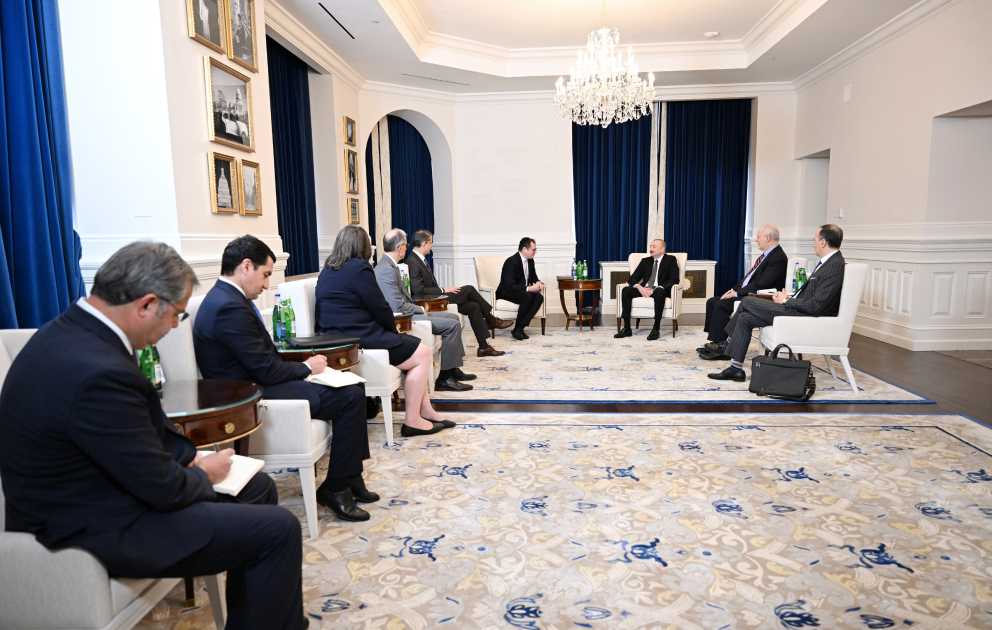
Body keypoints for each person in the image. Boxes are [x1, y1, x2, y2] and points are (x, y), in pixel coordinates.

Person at [0, 242, 305, 630]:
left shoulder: (74, 334)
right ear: (146, 304)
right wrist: (204, 473)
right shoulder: (96, 370)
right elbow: (161, 488)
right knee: (279, 530)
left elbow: (129, 435)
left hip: (100, 489)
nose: (176, 326)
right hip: (92, 521)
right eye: (176, 314)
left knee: (257, 489)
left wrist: (187, 458)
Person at [194, 235, 374, 523]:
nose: (267, 285)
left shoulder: (226, 298)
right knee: (350, 397)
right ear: (246, 266)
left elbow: (263, 361)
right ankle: (336, 488)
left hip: (258, 383)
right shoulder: (228, 307)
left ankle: (351, 476)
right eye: (266, 275)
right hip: (250, 395)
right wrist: (307, 368)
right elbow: (265, 370)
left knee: (354, 386)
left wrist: (305, 369)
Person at [314, 226, 453, 437]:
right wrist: (392, 330)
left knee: (418, 347)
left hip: (334, 339)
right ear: (363, 246)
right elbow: (380, 307)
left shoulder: (326, 270)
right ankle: (413, 421)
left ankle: (425, 410)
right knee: (423, 354)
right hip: (360, 338)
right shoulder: (359, 268)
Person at [707, 224, 847, 381]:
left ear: (823, 242)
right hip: (798, 309)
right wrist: (788, 298)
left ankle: (727, 342)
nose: (813, 244)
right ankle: (736, 369)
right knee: (745, 317)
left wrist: (786, 300)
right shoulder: (829, 262)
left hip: (804, 315)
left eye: (815, 240)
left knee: (746, 301)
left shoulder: (834, 265)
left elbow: (816, 306)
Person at [375, 229, 474, 392]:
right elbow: (397, 306)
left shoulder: (389, 265)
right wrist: (420, 309)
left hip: (409, 313)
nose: (406, 248)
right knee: (452, 326)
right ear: (399, 247)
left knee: (454, 318)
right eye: (406, 245)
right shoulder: (386, 269)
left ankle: (452, 368)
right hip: (404, 318)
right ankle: (444, 378)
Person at [407, 229, 511, 356]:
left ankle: (484, 347)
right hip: (429, 302)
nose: (431, 246)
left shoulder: (419, 260)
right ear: (424, 244)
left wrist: (442, 291)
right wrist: (443, 290)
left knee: (473, 306)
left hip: (436, 298)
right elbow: (418, 291)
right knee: (470, 289)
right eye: (430, 243)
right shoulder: (413, 262)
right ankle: (491, 319)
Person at [699, 225, 788, 359]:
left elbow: (762, 284)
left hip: (761, 297)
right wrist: (732, 290)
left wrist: (736, 294)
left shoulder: (778, 257)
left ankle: (724, 350)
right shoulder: (767, 255)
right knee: (712, 301)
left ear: (767, 238)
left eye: (758, 237)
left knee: (721, 305)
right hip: (750, 292)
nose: (756, 240)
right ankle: (716, 342)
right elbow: (747, 280)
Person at [615, 239, 681, 341]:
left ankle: (656, 329)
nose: (651, 249)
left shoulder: (670, 260)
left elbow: (675, 279)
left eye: (654, 247)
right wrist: (640, 288)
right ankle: (627, 328)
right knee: (626, 290)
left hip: (660, 290)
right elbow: (632, 278)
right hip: (645, 289)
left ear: (662, 249)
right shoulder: (645, 261)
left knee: (659, 292)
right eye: (650, 246)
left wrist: (660, 287)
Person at [496, 237, 546, 340]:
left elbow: (533, 277)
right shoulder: (511, 262)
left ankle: (519, 328)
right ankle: (518, 329)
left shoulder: (530, 261)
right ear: (524, 249)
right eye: (533, 250)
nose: (535, 252)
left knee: (539, 297)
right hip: (506, 292)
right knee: (528, 296)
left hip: (521, 291)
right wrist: (529, 289)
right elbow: (510, 286)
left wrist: (538, 283)